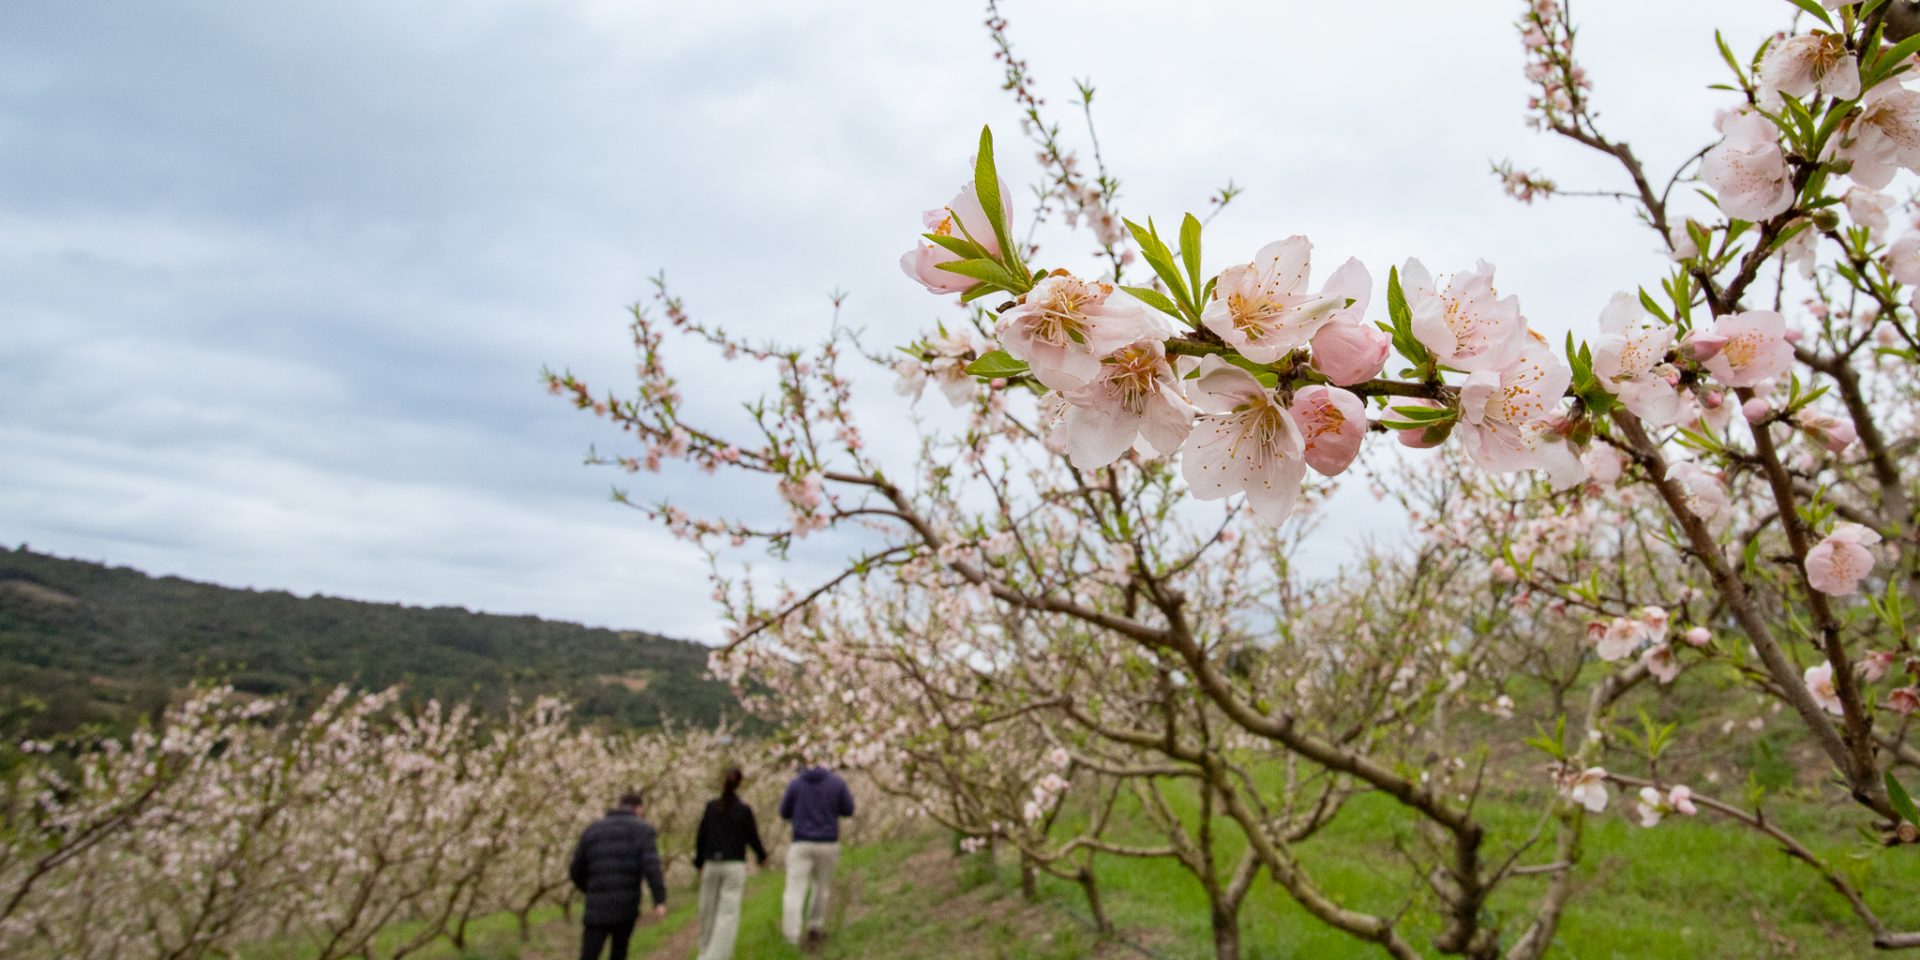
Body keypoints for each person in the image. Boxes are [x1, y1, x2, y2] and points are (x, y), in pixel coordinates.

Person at [568, 790, 668, 960]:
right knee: (619, 952)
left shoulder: (593, 830)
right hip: (626, 905)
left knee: (589, 953)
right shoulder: (643, 830)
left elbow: (576, 868)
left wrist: (590, 889)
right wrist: (659, 900)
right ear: (639, 808)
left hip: (596, 904)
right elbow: (652, 867)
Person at [692, 766, 767, 960]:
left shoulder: (711, 807)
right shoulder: (744, 810)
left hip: (711, 863)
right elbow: (753, 837)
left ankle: (704, 952)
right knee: (727, 914)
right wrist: (762, 856)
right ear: (740, 783)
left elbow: (701, 836)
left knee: (707, 910)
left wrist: (699, 862)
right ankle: (718, 956)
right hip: (734, 864)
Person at [777, 762, 855, 947]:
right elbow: (848, 809)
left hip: (801, 842)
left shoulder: (795, 784)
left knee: (794, 891)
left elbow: (784, 812)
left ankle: (791, 936)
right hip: (828, 842)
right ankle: (815, 927)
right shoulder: (837, 783)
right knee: (821, 888)